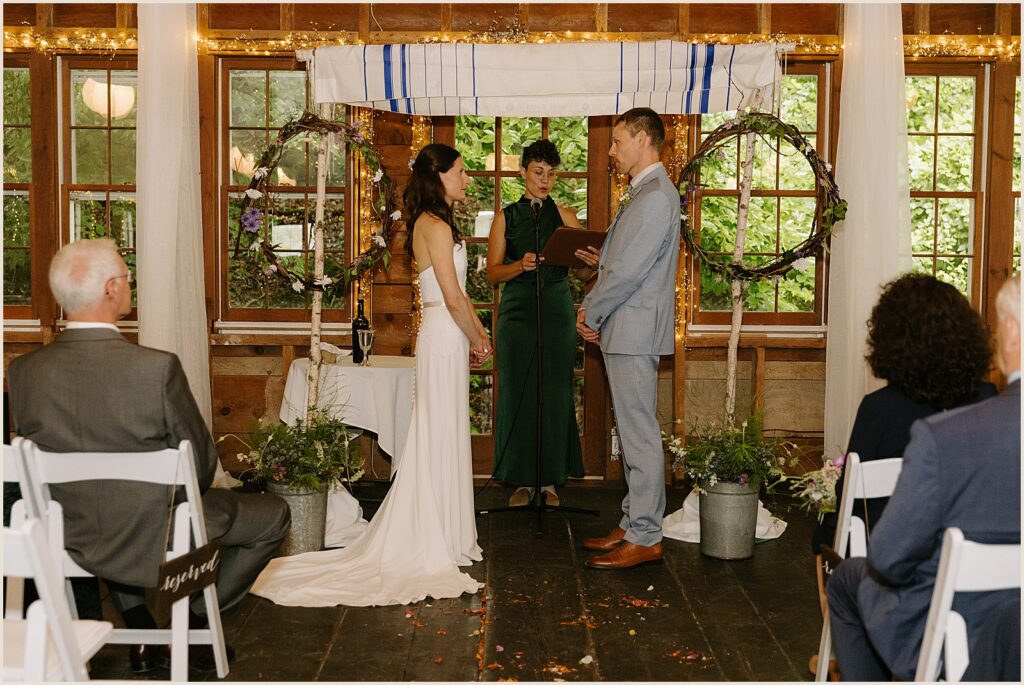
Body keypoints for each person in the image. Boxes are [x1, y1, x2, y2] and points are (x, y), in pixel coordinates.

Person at [6, 238, 291, 673]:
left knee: (113, 507)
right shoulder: (156, 368)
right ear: (110, 290)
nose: (129, 284)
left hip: (67, 534)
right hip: (156, 537)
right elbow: (199, 468)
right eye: (125, 276)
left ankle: (141, 626)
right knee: (274, 516)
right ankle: (194, 624)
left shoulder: (23, 373)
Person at [250, 143, 491, 606]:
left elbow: (460, 299)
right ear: (438, 176)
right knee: (436, 431)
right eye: (460, 172)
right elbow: (454, 297)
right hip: (443, 335)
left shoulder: (433, 224)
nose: (466, 179)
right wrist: (480, 338)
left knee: (444, 431)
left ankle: (449, 529)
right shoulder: (434, 227)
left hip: (447, 334)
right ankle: (435, 532)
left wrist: (477, 336)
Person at [827, 273, 1021, 682]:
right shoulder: (986, 398)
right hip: (1009, 611)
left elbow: (889, 560)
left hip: (948, 607)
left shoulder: (937, 434)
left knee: (846, 576)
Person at [812, 274, 996, 558]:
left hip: (897, 562)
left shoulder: (880, 409)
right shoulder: (988, 400)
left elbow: (849, 497)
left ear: (890, 340)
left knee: (825, 535)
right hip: (976, 556)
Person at [576, 107, 680, 570]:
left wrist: (591, 308)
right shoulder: (643, 192)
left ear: (643, 138)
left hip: (633, 327)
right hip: (628, 327)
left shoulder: (656, 195)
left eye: (618, 141)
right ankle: (632, 520)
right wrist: (602, 260)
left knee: (638, 434)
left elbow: (632, 271)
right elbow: (627, 259)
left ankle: (646, 534)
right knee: (632, 430)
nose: (612, 151)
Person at [487, 139, 600, 507]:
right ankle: (520, 480)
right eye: (538, 172)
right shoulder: (505, 216)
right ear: (523, 172)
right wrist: (520, 265)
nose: (545, 180)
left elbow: (583, 275)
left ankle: (550, 481)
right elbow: (491, 273)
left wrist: (590, 263)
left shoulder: (566, 216)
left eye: (551, 174)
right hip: (517, 312)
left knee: (554, 391)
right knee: (518, 392)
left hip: (555, 310)